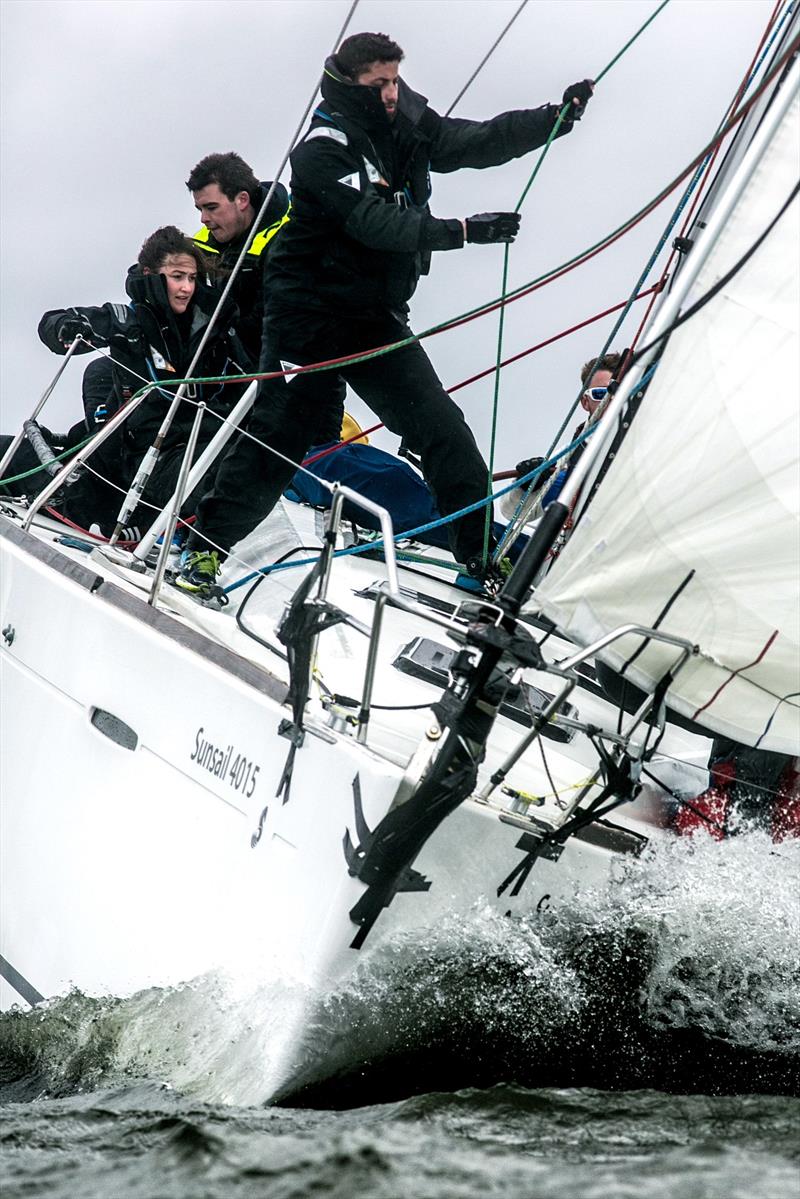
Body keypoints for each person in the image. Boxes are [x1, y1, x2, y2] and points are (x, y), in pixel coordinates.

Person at [176, 31, 594, 597]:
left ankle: (479, 558)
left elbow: (466, 141)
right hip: (307, 315)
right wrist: (462, 232)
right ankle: (202, 554)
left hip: (374, 316)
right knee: (281, 437)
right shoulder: (321, 148)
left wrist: (552, 120)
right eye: (380, 84)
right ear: (351, 83)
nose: (392, 93)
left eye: (395, 79)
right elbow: (373, 221)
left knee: (443, 430)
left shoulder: (405, 117)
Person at [37, 225, 250, 534]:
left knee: (245, 461)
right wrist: (66, 327)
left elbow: (251, 383)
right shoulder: (129, 319)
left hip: (201, 446)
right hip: (148, 459)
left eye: (191, 278)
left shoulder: (216, 329)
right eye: (177, 276)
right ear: (151, 274)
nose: (186, 288)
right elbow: (52, 321)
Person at [187, 152, 290, 364]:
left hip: (288, 363)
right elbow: (161, 265)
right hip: (230, 359)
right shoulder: (203, 241)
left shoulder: (289, 237)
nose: (204, 219)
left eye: (212, 208)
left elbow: (268, 324)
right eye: (200, 209)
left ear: (242, 199)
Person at [500, 351, 624, 522]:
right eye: (601, 394)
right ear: (585, 402)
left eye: (622, 391)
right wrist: (526, 485)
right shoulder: (570, 461)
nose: (612, 400)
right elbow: (512, 512)